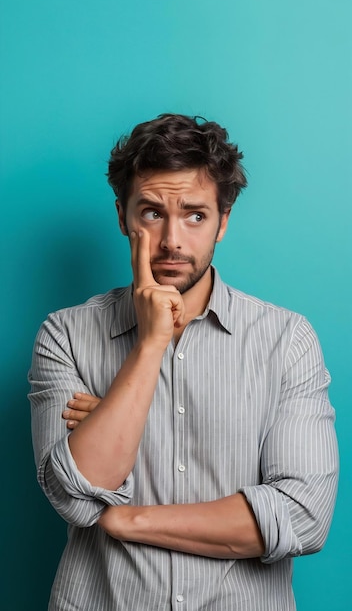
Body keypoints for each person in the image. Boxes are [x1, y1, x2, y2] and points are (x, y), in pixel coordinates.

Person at [29, 113, 338, 611]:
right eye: (152, 212)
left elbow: (303, 516)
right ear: (122, 217)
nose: (172, 239)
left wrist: (125, 517)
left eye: (195, 215)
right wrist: (150, 344)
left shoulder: (287, 341)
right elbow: (74, 497)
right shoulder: (64, 334)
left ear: (223, 221)